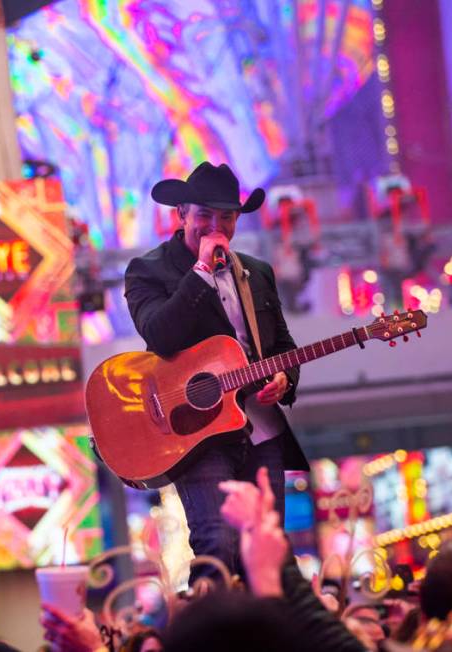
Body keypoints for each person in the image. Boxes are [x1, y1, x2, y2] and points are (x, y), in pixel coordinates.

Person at [124, 161, 309, 582]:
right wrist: (202, 272)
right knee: (216, 544)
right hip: (197, 429)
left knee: (269, 547)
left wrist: (285, 380)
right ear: (182, 215)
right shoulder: (148, 271)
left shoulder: (256, 272)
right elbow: (160, 334)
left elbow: (282, 347)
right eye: (204, 215)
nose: (215, 226)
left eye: (226, 217)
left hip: (260, 428)